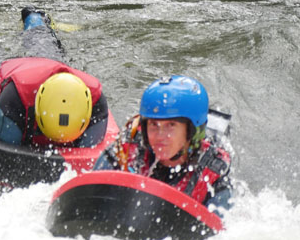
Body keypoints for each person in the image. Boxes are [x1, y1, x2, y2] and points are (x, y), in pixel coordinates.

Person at [0, 10, 114, 152]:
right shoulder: (15, 99)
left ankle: (34, 16)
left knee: (43, 40)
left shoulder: (96, 99)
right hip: (5, 70)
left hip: (50, 64)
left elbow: (90, 153)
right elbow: (4, 154)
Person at [93, 75, 232, 213]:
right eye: (153, 125)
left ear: (191, 132)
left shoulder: (214, 173)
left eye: (171, 125)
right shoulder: (126, 150)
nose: (160, 136)